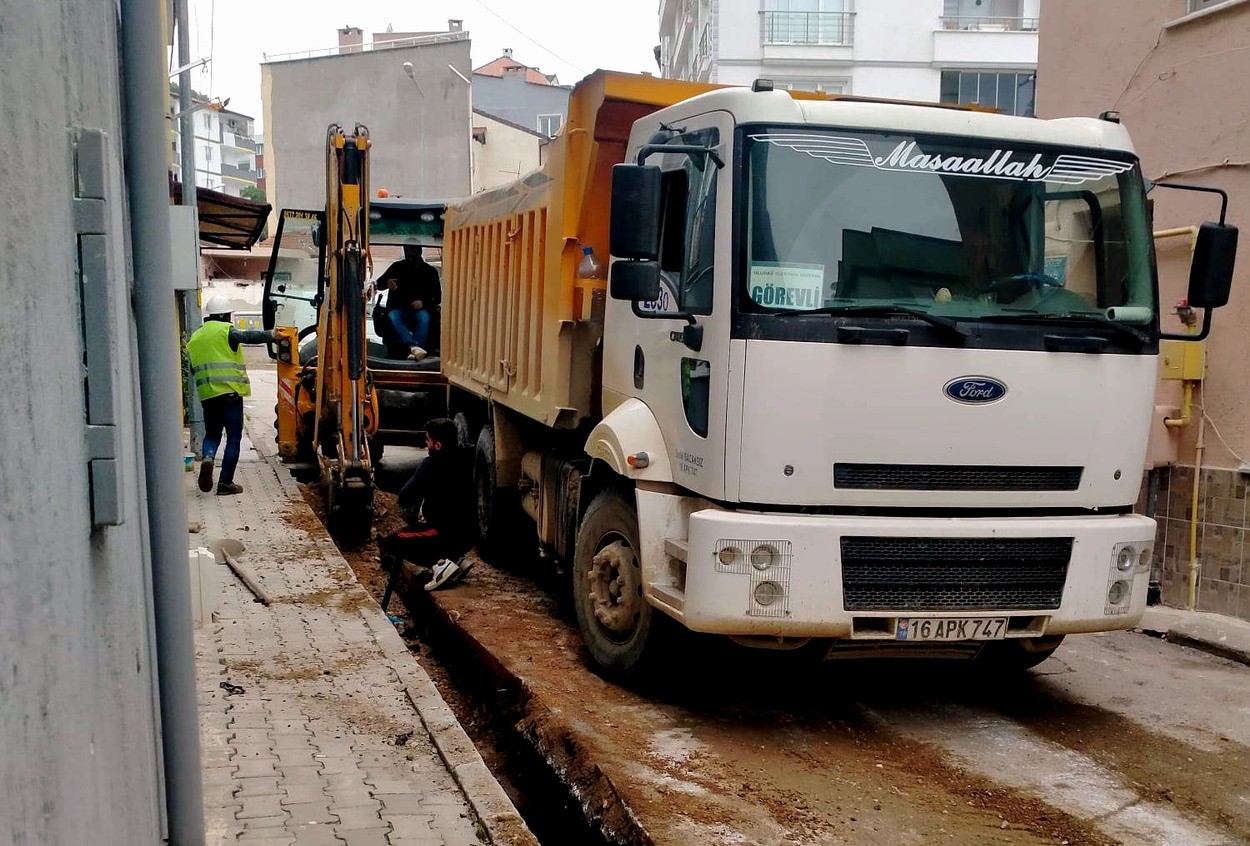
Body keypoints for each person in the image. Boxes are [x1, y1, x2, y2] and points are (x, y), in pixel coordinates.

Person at [187, 294, 278, 496]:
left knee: (211, 435)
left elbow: (193, 370)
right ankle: (225, 482)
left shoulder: (195, 338)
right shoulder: (225, 331)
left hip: (208, 397)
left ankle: (209, 458)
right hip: (230, 396)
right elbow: (246, 337)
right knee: (234, 438)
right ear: (225, 315)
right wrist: (272, 335)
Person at [378, 417, 476, 593]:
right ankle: (455, 559)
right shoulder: (468, 456)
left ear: (437, 445)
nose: (425, 444)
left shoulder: (431, 465)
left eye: (428, 440)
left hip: (443, 531)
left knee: (392, 542)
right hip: (469, 535)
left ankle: (440, 564)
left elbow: (405, 498)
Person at [377, 245, 441, 361]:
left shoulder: (430, 271)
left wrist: (423, 303)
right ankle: (414, 348)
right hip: (398, 309)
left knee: (425, 317)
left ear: (420, 251)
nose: (410, 253)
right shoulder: (396, 267)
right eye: (407, 250)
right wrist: (387, 283)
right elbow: (378, 284)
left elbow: (438, 297)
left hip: (420, 310)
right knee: (393, 316)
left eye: (413, 250)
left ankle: (416, 349)